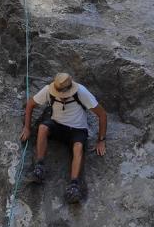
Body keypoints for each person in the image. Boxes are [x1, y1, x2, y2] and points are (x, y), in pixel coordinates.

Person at [19, 73, 107, 203]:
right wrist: (27, 127)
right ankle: (39, 167)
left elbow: (102, 114)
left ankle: (74, 185)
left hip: (77, 129)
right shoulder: (48, 91)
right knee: (43, 128)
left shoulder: (81, 92)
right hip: (57, 125)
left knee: (78, 147)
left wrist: (101, 140)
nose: (62, 97)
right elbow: (30, 104)